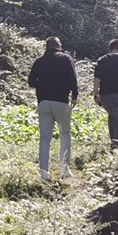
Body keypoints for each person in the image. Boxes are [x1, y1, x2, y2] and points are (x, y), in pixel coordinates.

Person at [28, 37, 78, 180]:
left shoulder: (39, 61)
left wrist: (42, 85)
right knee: (65, 133)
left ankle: (44, 172)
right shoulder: (65, 58)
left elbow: (31, 81)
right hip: (61, 101)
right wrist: (74, 96)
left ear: (47, 47)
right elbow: (73, 79)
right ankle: (64, 169)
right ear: (59, 45)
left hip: (43, 102)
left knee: (44, 138)